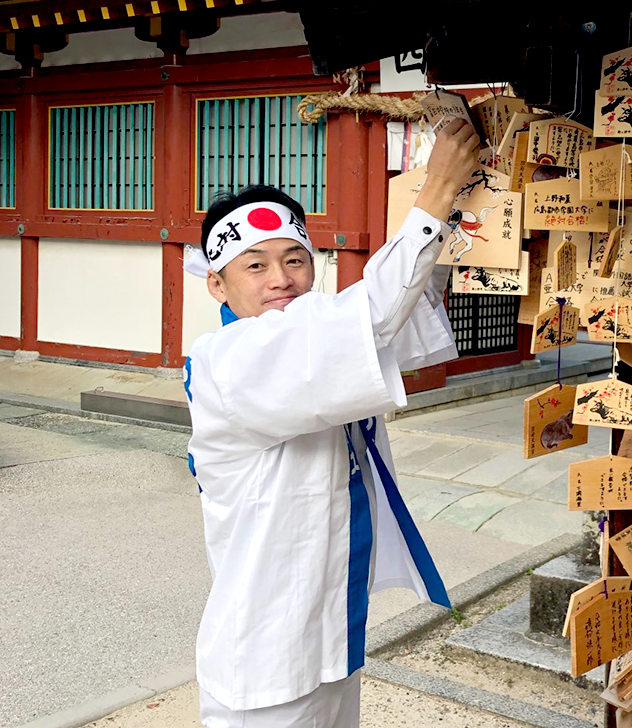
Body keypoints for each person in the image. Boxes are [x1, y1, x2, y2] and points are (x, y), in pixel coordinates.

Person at [181, 119, 480, 728]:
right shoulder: (230, 362)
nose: (281, 278)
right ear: (217, 283)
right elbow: (368, 320)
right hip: (266, 659)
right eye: (255, 266)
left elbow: (397, 319)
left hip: (330, 634)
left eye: (295, 259)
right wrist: (435, 192)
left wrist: (475, 212)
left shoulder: (307, 345)